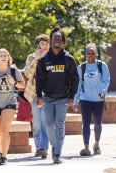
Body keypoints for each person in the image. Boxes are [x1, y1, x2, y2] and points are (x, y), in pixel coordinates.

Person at [36, 26, 79, 164]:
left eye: (59, 39)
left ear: (62, 41)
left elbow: (75, 79)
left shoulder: (69, 59)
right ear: (51, 40)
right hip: (48, 98)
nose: (56, 41)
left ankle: (57, 153)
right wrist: (39, 96)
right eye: (54, 38)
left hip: (63, 98)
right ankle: (54, 145)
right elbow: (39, 79)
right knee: (48, 125)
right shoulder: (43, 59)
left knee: (60, 125)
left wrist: (72, 96)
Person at [73, 43, 110, 156]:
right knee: (86, 123)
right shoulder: (81, 68)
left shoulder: (101, 65)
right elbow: (78, 85)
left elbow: (106, 80)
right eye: (88, 53)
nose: (90, 55)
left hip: (99, 99)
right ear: (86, 54)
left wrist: (103, 92)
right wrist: (75, 101)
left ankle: (97, 145)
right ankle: (86, 148)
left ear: (96, 54)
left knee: (98, 123)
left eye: (92, 53)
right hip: (85, 99)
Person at [24, 34, 50, 158]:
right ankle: (38, 147)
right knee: (37, 122)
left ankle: (43, 147)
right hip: (34, 94)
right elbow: (28, 74)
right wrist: (36, 59)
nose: (44, 46)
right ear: (38, 45)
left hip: (48, 93)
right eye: (42, 43)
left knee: (45, 121)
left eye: (46, 43)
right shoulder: (31, 57)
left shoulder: (52, 56)